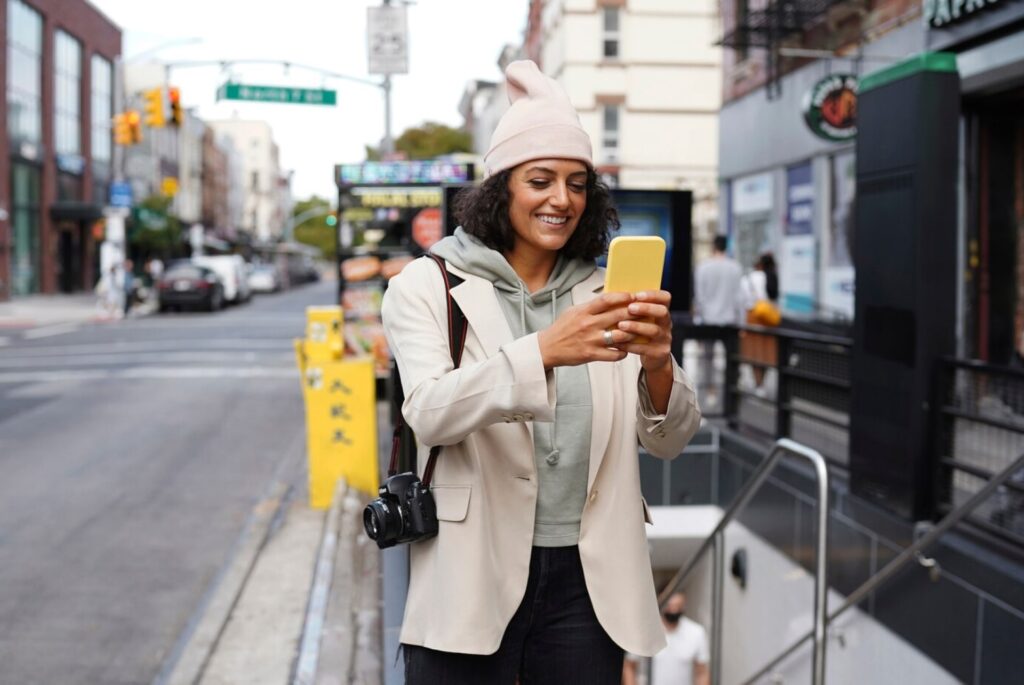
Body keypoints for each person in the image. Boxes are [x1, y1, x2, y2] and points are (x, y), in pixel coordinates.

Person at [381, 60, 701, 685]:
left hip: (590, 584)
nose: (562, 199)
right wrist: (544, 351)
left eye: (578, 184)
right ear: (500, 188)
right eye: (541, 179)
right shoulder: (428, 285)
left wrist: (659, 363)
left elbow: (669, 440)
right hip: (470, 573)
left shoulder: (607, 290)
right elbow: (428, 411)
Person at [692, 235, 743, 400]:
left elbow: (699, 297)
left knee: (707, 357)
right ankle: (731, 393)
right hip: (729, 320)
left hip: (708, 319)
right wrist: (741, 322)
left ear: (713, 246)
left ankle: (710, 390)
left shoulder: (703, 267)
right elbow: (739, 298)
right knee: (732, 357)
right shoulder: (735, 267)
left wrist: (698, 318)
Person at [622, 592, 709, 685]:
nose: (674, 610)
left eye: (678, 607)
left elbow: (702, 672)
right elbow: (629, 667)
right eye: (670, 606)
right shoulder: (645, 630)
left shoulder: (696, 632)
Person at [740, 252, 780, 391]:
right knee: (767, 352)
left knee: (754, 352)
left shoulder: (750, 278)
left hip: (753, 317)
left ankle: (758, 384)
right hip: (768, 318)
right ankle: (762, 382)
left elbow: (744, 299)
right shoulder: (772, 276)